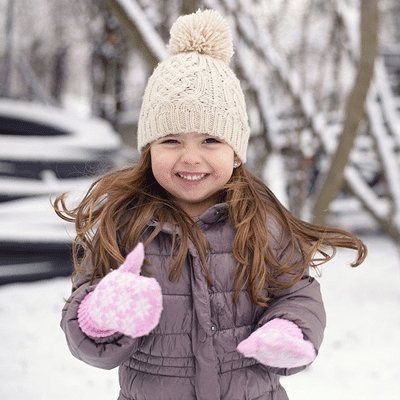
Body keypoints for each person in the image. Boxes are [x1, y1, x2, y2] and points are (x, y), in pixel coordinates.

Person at [54, 9, 367, 400]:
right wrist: (100, 318)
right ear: (148, 149)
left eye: (210, 141)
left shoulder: (260, 223)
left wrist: (288, 328)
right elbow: (83, 321)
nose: (190, 158)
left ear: (236, 152)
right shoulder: (126, 225)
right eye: (171, 140)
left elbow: (297, 293)